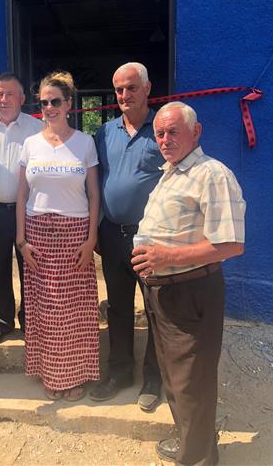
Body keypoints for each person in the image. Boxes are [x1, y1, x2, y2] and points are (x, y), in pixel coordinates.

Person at [132, 102, 245, 465]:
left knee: (191, 383)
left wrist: (166, 258)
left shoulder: (212, 174)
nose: (164, 139)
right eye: (160, 133)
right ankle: (192, 444)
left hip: (191, 290)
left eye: (173, 132)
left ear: (196, 133)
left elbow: (231, 244)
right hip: (164, 291)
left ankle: (195, 459)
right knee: (175, 377)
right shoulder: (173, 172)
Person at [16, 70, 100, 401]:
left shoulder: (85, 142)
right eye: (44, 103)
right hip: (38, 233)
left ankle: (75, 375)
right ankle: (50, 374)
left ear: (68, 104)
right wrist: (21, 241)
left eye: (55, 101)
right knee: (47, 309)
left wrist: (91, 239)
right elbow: (21, 196)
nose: (48, 108)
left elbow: (94, 195)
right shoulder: (30, 144)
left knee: (74, 309)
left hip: (75, 233)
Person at [90, 62, 164, 411]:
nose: (124, 95)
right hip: (113, 235)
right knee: (118, 308)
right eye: (119, 89)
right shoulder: (104, 133)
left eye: (131, 88)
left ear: (147, 89)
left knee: (156, 311)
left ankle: (153, 377)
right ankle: (120, 372)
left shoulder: (162, 129)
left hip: (150, 239)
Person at [0, 73, 43, 342]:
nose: (4, 100)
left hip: (27, 212)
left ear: (22, 98)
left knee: (31, 266)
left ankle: (31, 321)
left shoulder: (37, 129)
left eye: (10, 94)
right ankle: (2, 321)